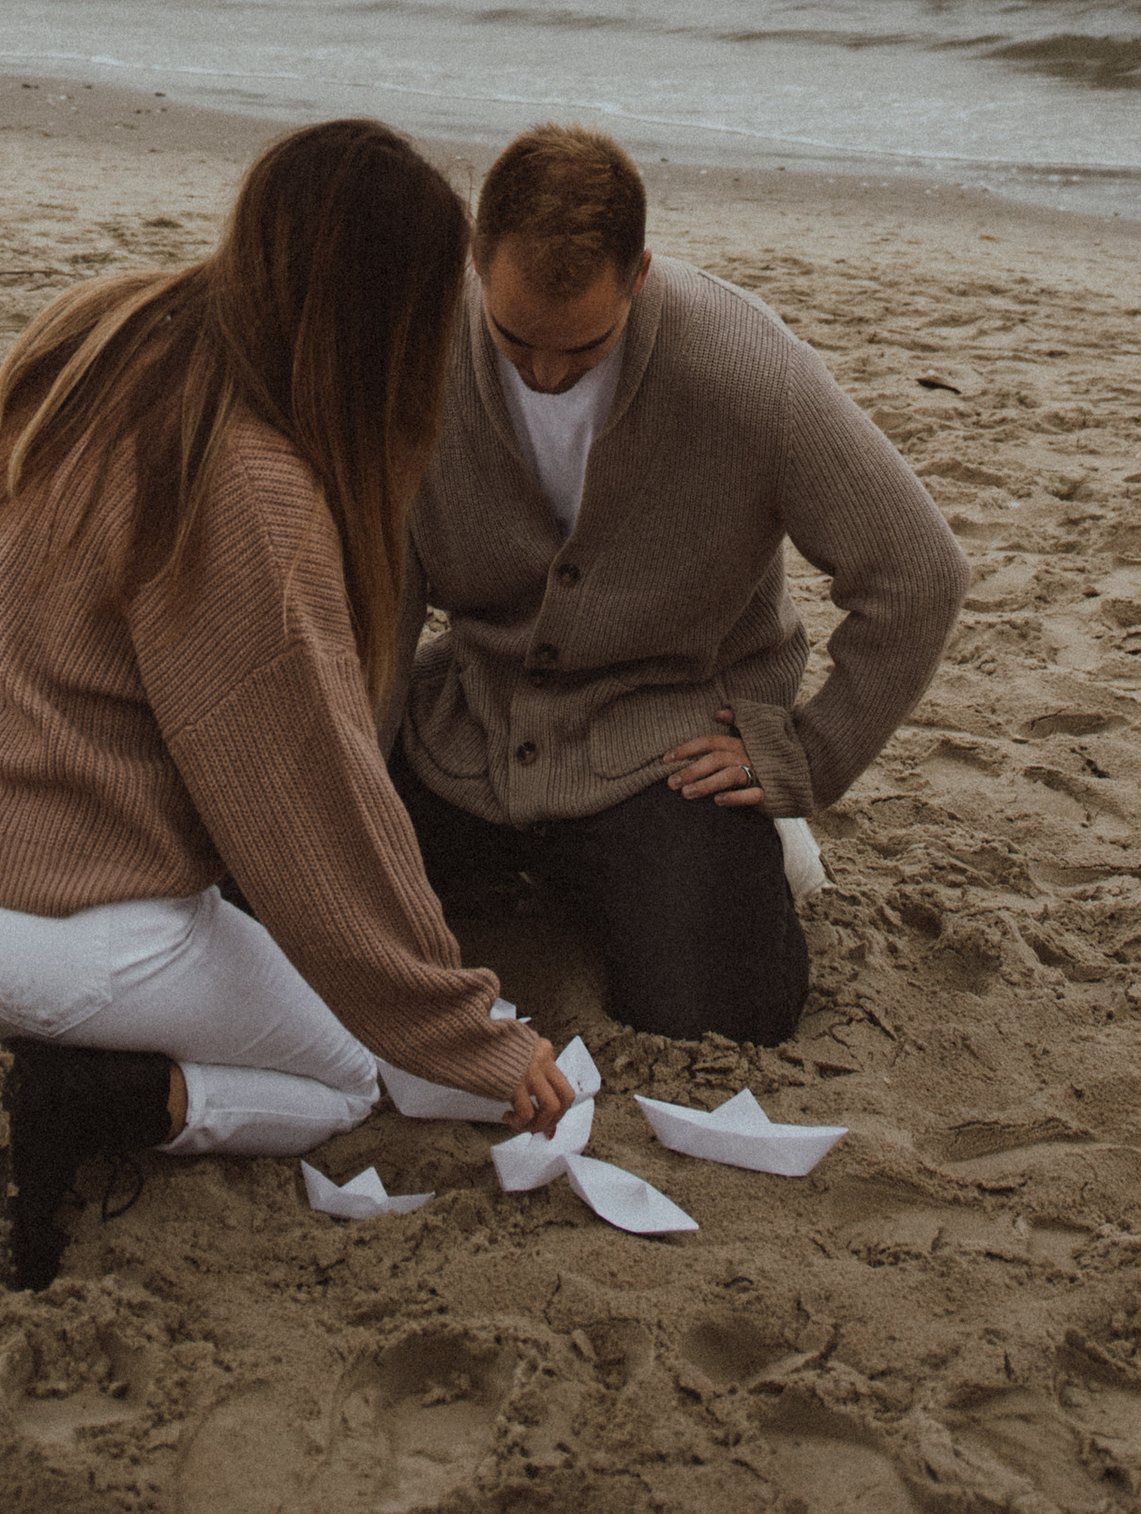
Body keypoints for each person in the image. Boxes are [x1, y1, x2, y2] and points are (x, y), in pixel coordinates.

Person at [0, 119, 575, 1285]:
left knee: (263, 982)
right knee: (346, 1076)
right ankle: (61, 1101)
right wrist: (469, 1032)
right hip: (68, 937)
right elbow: (312, 816)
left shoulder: (105, 327)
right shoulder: (250, 481)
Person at [389, 124, 970, 1046]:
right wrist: (360, 768)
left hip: (667, 743)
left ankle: (755, 851)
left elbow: (918, 572)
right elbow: (384, 593)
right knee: (264, 900)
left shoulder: (743, 368)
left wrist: (810, 758)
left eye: (581, 346)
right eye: (513, 338)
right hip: (468, 723)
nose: (544, 374)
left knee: (727, 1013)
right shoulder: (414, 347)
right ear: (475, 263)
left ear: (640, 275)